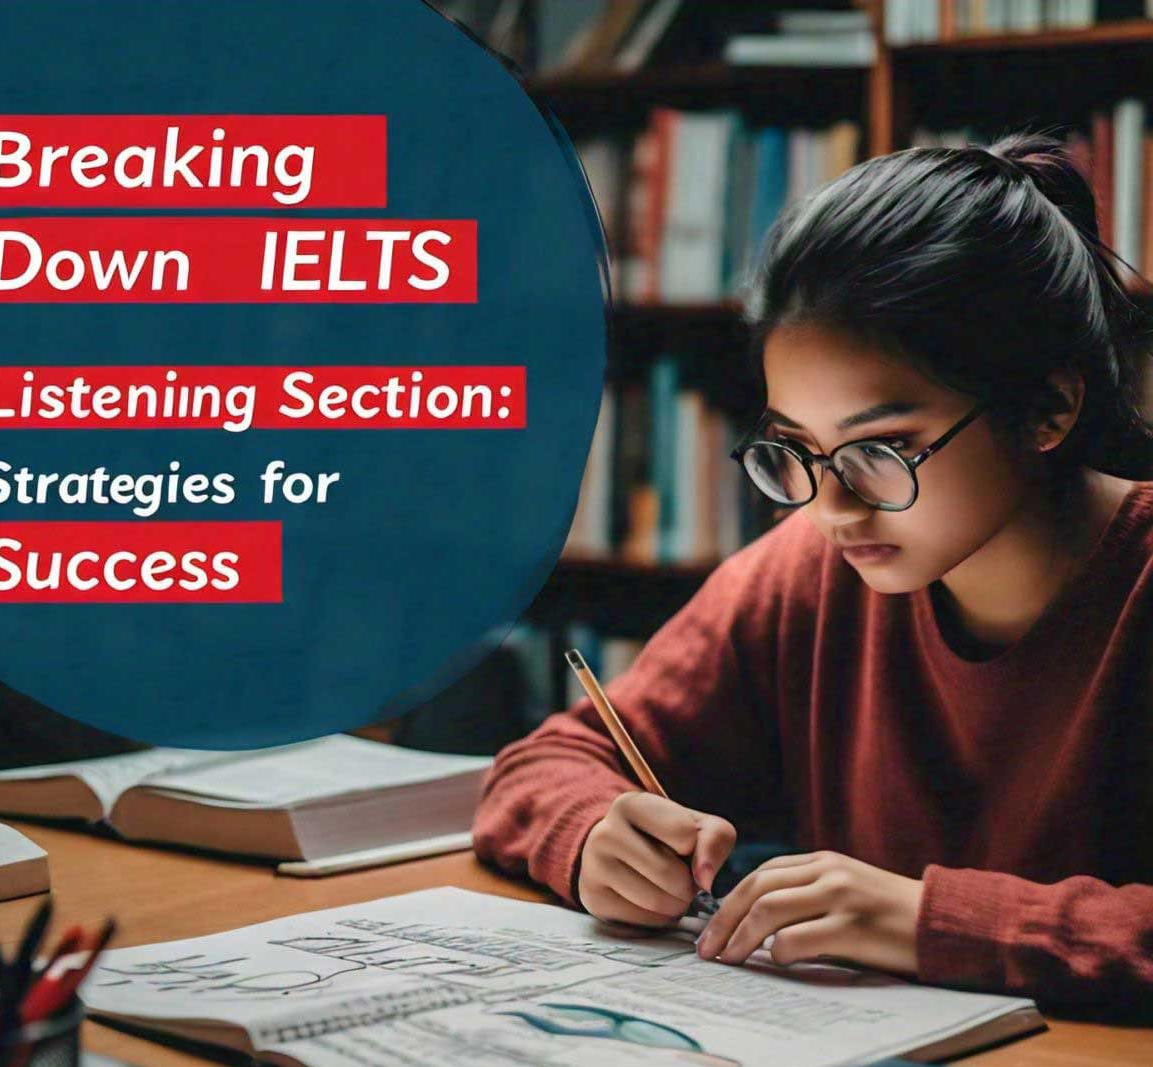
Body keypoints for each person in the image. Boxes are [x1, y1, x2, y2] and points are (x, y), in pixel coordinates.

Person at [472, 131, 1153, 1017]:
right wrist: (594, 832)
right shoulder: (813, 573)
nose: (830, 508)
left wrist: (929, 920)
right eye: (796, 451)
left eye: (880, 450)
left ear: (1049, 409)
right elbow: (546, 764)